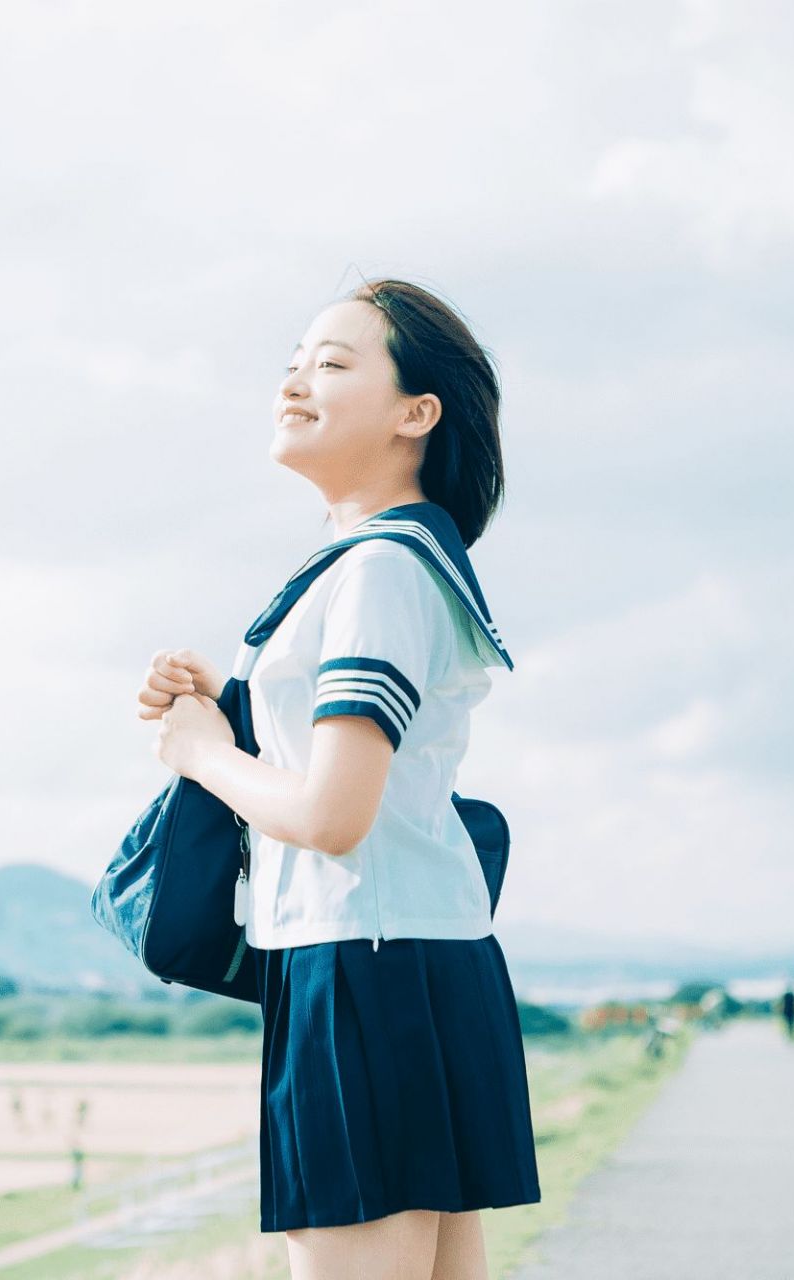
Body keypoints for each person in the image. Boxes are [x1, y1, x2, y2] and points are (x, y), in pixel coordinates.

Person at [138, 278, 539, 1280]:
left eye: (332, 361)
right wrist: (231, 698)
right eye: (292, 361)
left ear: (417, 412)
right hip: (418, 959)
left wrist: (199, 750)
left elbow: (331, 812)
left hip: (361, 963)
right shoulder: (390, 562)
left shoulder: (378, 569)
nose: (295, 379)